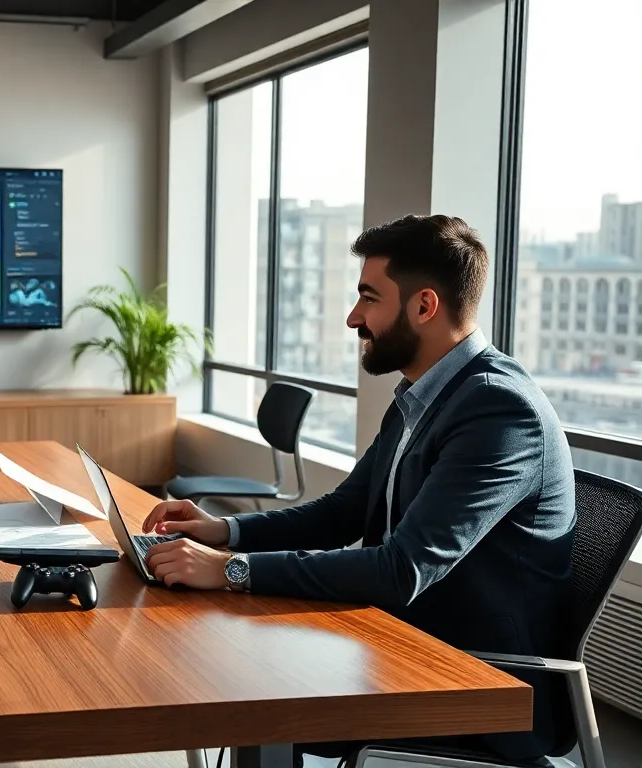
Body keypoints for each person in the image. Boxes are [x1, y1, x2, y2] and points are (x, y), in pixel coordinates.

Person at [143, 215, 574, 765]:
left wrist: (231, 570)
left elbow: (401, 570)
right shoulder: (425, 393)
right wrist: (224, 532)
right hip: (402, 638)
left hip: (477, 679)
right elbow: (344, 511)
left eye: (369, 298)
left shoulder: (498, 410)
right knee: (220, 659)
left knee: (248, 683)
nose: (353, 317)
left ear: (424, 306)